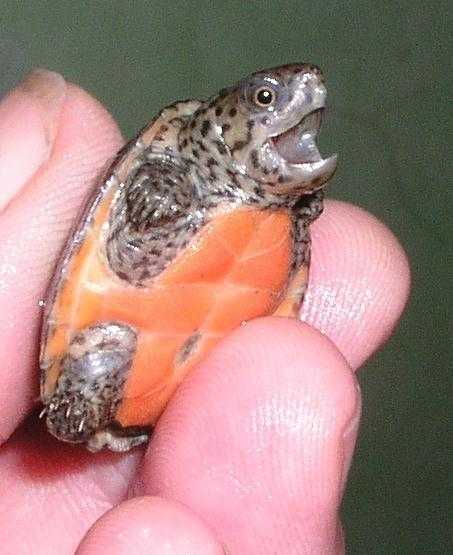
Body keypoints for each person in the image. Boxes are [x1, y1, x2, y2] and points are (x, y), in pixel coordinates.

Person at [0, 70, 410, 554]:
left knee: (265, 395)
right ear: (220, 123)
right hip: (122, 326)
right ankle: (77, 413)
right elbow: (120, 230)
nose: (308, 96)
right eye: (265, 98)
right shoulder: (171, 167)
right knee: (90, 373)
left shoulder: (288, 206)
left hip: (212, 362)